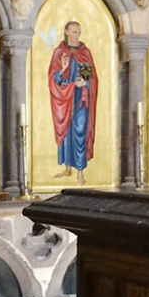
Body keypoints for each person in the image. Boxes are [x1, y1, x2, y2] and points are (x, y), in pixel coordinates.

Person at [48, 20, 99, 183]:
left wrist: (85, 83)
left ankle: (80, 170)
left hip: (80, 98)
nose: (77, 36)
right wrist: (62, 69)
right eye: (74, 32)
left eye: (79, 32)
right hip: (64, 98)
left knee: (79, 130)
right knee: (66, 131)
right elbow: (54, 79)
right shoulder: (59, 52)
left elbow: (90, 77)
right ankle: (67, 168)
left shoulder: (85, 52)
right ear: (66, 32)